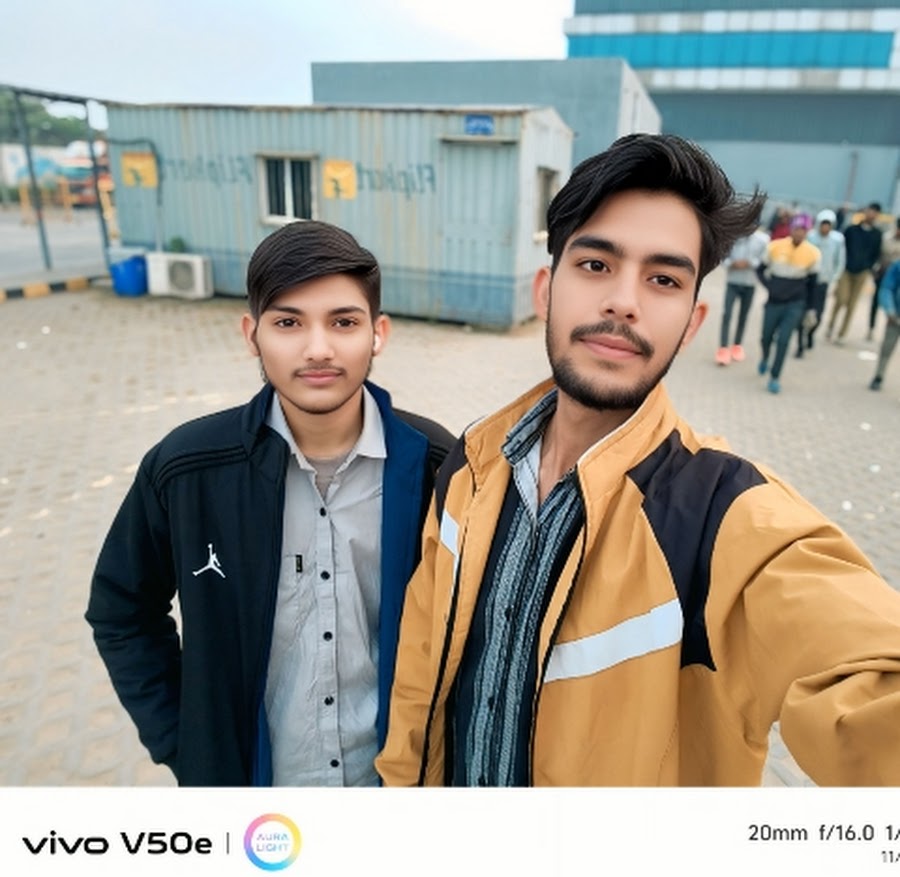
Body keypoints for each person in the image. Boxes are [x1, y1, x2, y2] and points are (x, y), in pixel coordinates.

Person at [375, 133, 900, 788]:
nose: (624, 301)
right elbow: (421, 666)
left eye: (663, 279)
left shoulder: (724, 517)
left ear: (692, 322)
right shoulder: (472, 463)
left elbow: (865, 675)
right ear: (545, 291)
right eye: (596, 264)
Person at [86, 220, 455, 786]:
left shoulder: (437, 465)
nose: (318, 349)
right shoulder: (186, 470)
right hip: (257, 792)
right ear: (251, 334)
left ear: (378, 333)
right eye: (288, 322)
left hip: (396, 785)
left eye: (344, 322)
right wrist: (186, 742)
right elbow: (122, 611)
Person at [755, 212, 820, 393]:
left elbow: (813, 285)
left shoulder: (813, 253)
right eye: (797, 229)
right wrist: (769, 286)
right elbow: (760, 270)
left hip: (795, 303)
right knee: (766, 337)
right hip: (774, 301)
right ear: (792, 229)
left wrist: (811, 308)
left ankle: (775, 376)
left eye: (803, 230)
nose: (800, 233)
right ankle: (765, 358)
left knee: (784, 340)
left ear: (807, 232)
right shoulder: (775, 247)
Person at [826, 202, 883, 344]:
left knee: (852, 304)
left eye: (875, 212)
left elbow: (876, 253)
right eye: (870, 211)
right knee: (841, 298)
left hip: (862, 272)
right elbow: (842, 248)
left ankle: (842, 334)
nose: (872, 214)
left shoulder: (877, 234)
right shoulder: (852, 229)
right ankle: (831, 325)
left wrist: (868, 266)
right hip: (846, 269)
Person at [714, 222, 768, 366]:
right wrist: (732, 263)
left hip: (750, 284)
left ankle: (737, 346)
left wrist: (750, 262)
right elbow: (723, 257)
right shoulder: (732, 238)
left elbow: (764, 260)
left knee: (743, 316)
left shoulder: (762, 240)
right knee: (727, 314)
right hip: (733, 282)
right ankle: (723, 348)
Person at [797, 208, 845, 358]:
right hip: (807, 281)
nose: (825, 228)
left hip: (823, 282)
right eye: (823, 224)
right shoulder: (810, 237)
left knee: (818, 314)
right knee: (802, 312)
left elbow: (840, 261)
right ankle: (800, 345)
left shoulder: (837, 240)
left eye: (828, 225)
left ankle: (811, 333)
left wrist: (833, 278)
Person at [869, 258, 900, 391]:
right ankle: (879, 375)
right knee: (887, 347)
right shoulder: (898, 266)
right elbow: (887, 287)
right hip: (896, 316)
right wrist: (890, 310)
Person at [868, 216, 900, 341]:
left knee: (894, 306)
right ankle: (871, 327)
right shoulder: (886, 238)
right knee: (876, 302)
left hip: (897, 280)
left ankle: (890, 329)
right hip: (882, 274)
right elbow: (877, 254)